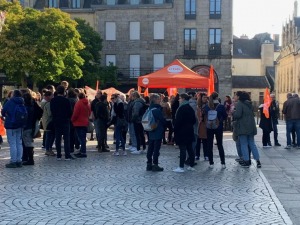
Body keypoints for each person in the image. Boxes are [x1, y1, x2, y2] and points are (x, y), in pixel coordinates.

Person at [233, 91, 261, 168]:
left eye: (235, 96)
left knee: (244, 144)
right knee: (252, 143)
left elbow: (238, 115)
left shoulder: (240, 104)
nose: (235, 97)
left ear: (239, 97)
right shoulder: (250, 104)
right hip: (251, 126)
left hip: (243, 126)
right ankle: (258, 160)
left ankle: (247, 161)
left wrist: (233, 113)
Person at [2, 90, 26, 168]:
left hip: (11, 125)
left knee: (12, 144)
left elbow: (3, 111)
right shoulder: (22, 102)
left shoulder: (10, 102)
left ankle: (13, 161)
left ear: (13, 95)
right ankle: (19, 160)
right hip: (20, 125)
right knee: (19, 143)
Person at [173, 93, 196, 173]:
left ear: (183, 99)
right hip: (189, 131)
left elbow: (178, 121)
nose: (179, 100)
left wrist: (175, 130)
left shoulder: (181, 108)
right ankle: (191, 165)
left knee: (182, 149)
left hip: (182, 131)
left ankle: (181, 166)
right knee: (190, 149)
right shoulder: (190, 108)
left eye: (180, 98)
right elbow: (194, 120)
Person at [50, 85, 74, 160]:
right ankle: (67, 155)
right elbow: (70, 111)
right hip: (65, 120)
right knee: (66, 138)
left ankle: (59, 155)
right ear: (64, 92)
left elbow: (52, 111)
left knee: (58, 138)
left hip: (57, 120)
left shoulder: (53, 100)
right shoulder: (66, 100)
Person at [204, 92, 227, 169]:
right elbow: (225, 116)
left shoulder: (207, 106)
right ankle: (223, 163)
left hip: (209, 127)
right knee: (220, 145)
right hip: (218, 127)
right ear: (217, 97)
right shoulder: (221, 106)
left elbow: (204, 116)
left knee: (209, 145)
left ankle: (211, 163)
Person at [146, 94, 166, 172]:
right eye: (158, 99)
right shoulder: (157, 110)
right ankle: (155, 164)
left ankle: (149, 164)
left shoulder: (149, 109)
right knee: (156, 149)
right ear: (155, 100)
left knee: (150, 148)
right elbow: (163, 120)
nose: (160, 100)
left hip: (151, 130)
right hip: (157, 131)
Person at [71, 93, 91, 158]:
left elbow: (75, 113)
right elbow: (89, 112)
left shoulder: (78, 103)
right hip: (85, 122)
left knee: (80, 138)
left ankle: (83, 152)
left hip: (78, 123)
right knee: (83, 138)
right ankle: (82, 151)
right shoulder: (87, 103)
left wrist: (72, 120)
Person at [41, 91, 56, 156]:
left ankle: (48, 149)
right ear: (48, 96)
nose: (53, 97)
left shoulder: (43, 103)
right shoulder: (48, 104)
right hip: (49, 121)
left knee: (49, 135)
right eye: (52, 95)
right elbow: (50, 114)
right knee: (50, 136)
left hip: (45, 121)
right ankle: (48, 149)